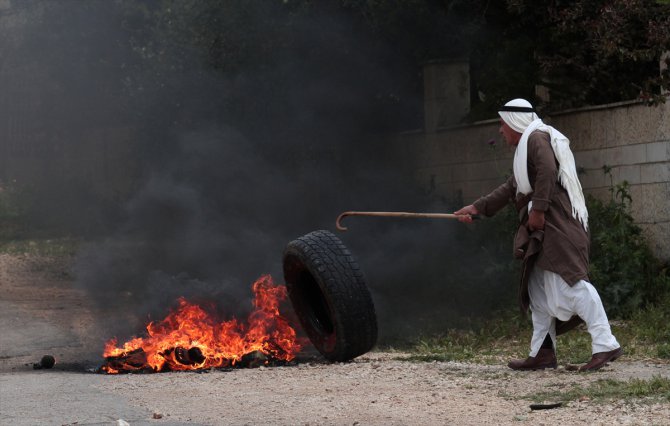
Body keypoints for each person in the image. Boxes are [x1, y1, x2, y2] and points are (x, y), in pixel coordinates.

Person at [455, 98, 622, 372]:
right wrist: (478, 208)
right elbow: (513, 187)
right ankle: (542, 352)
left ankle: (606, 343)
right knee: (538, 289)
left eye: (501, 124)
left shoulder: (536, 139)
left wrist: (540, 211)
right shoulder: (527, 147)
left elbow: (547, 169)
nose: (500, 131)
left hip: (557, 224)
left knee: (571, 283)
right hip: (547, 226)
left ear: (514, 122)